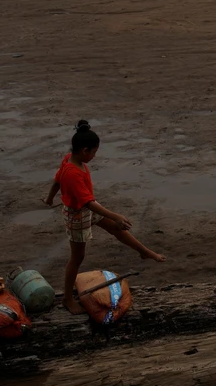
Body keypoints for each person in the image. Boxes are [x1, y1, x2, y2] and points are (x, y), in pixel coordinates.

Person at [44, 120, 166, 313]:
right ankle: (67, 298)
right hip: (77, 215)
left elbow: (56, 181)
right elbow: (88, 203)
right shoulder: (73, 173)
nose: (94, 156)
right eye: (94, 152)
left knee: (116, 229)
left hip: (87, 208)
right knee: (77, 257)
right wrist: (115, 215)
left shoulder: (69, 158)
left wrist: (50, 198)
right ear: (84, 150)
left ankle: (143, 251)